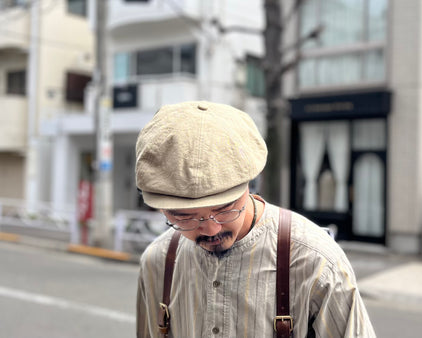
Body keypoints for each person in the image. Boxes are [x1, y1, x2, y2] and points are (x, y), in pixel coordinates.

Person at [135, 101, 376, 337]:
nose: (210, 228)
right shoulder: (157, 261)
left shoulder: (317, 262)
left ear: (249, 184)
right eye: (183, 216)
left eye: (224, 208)